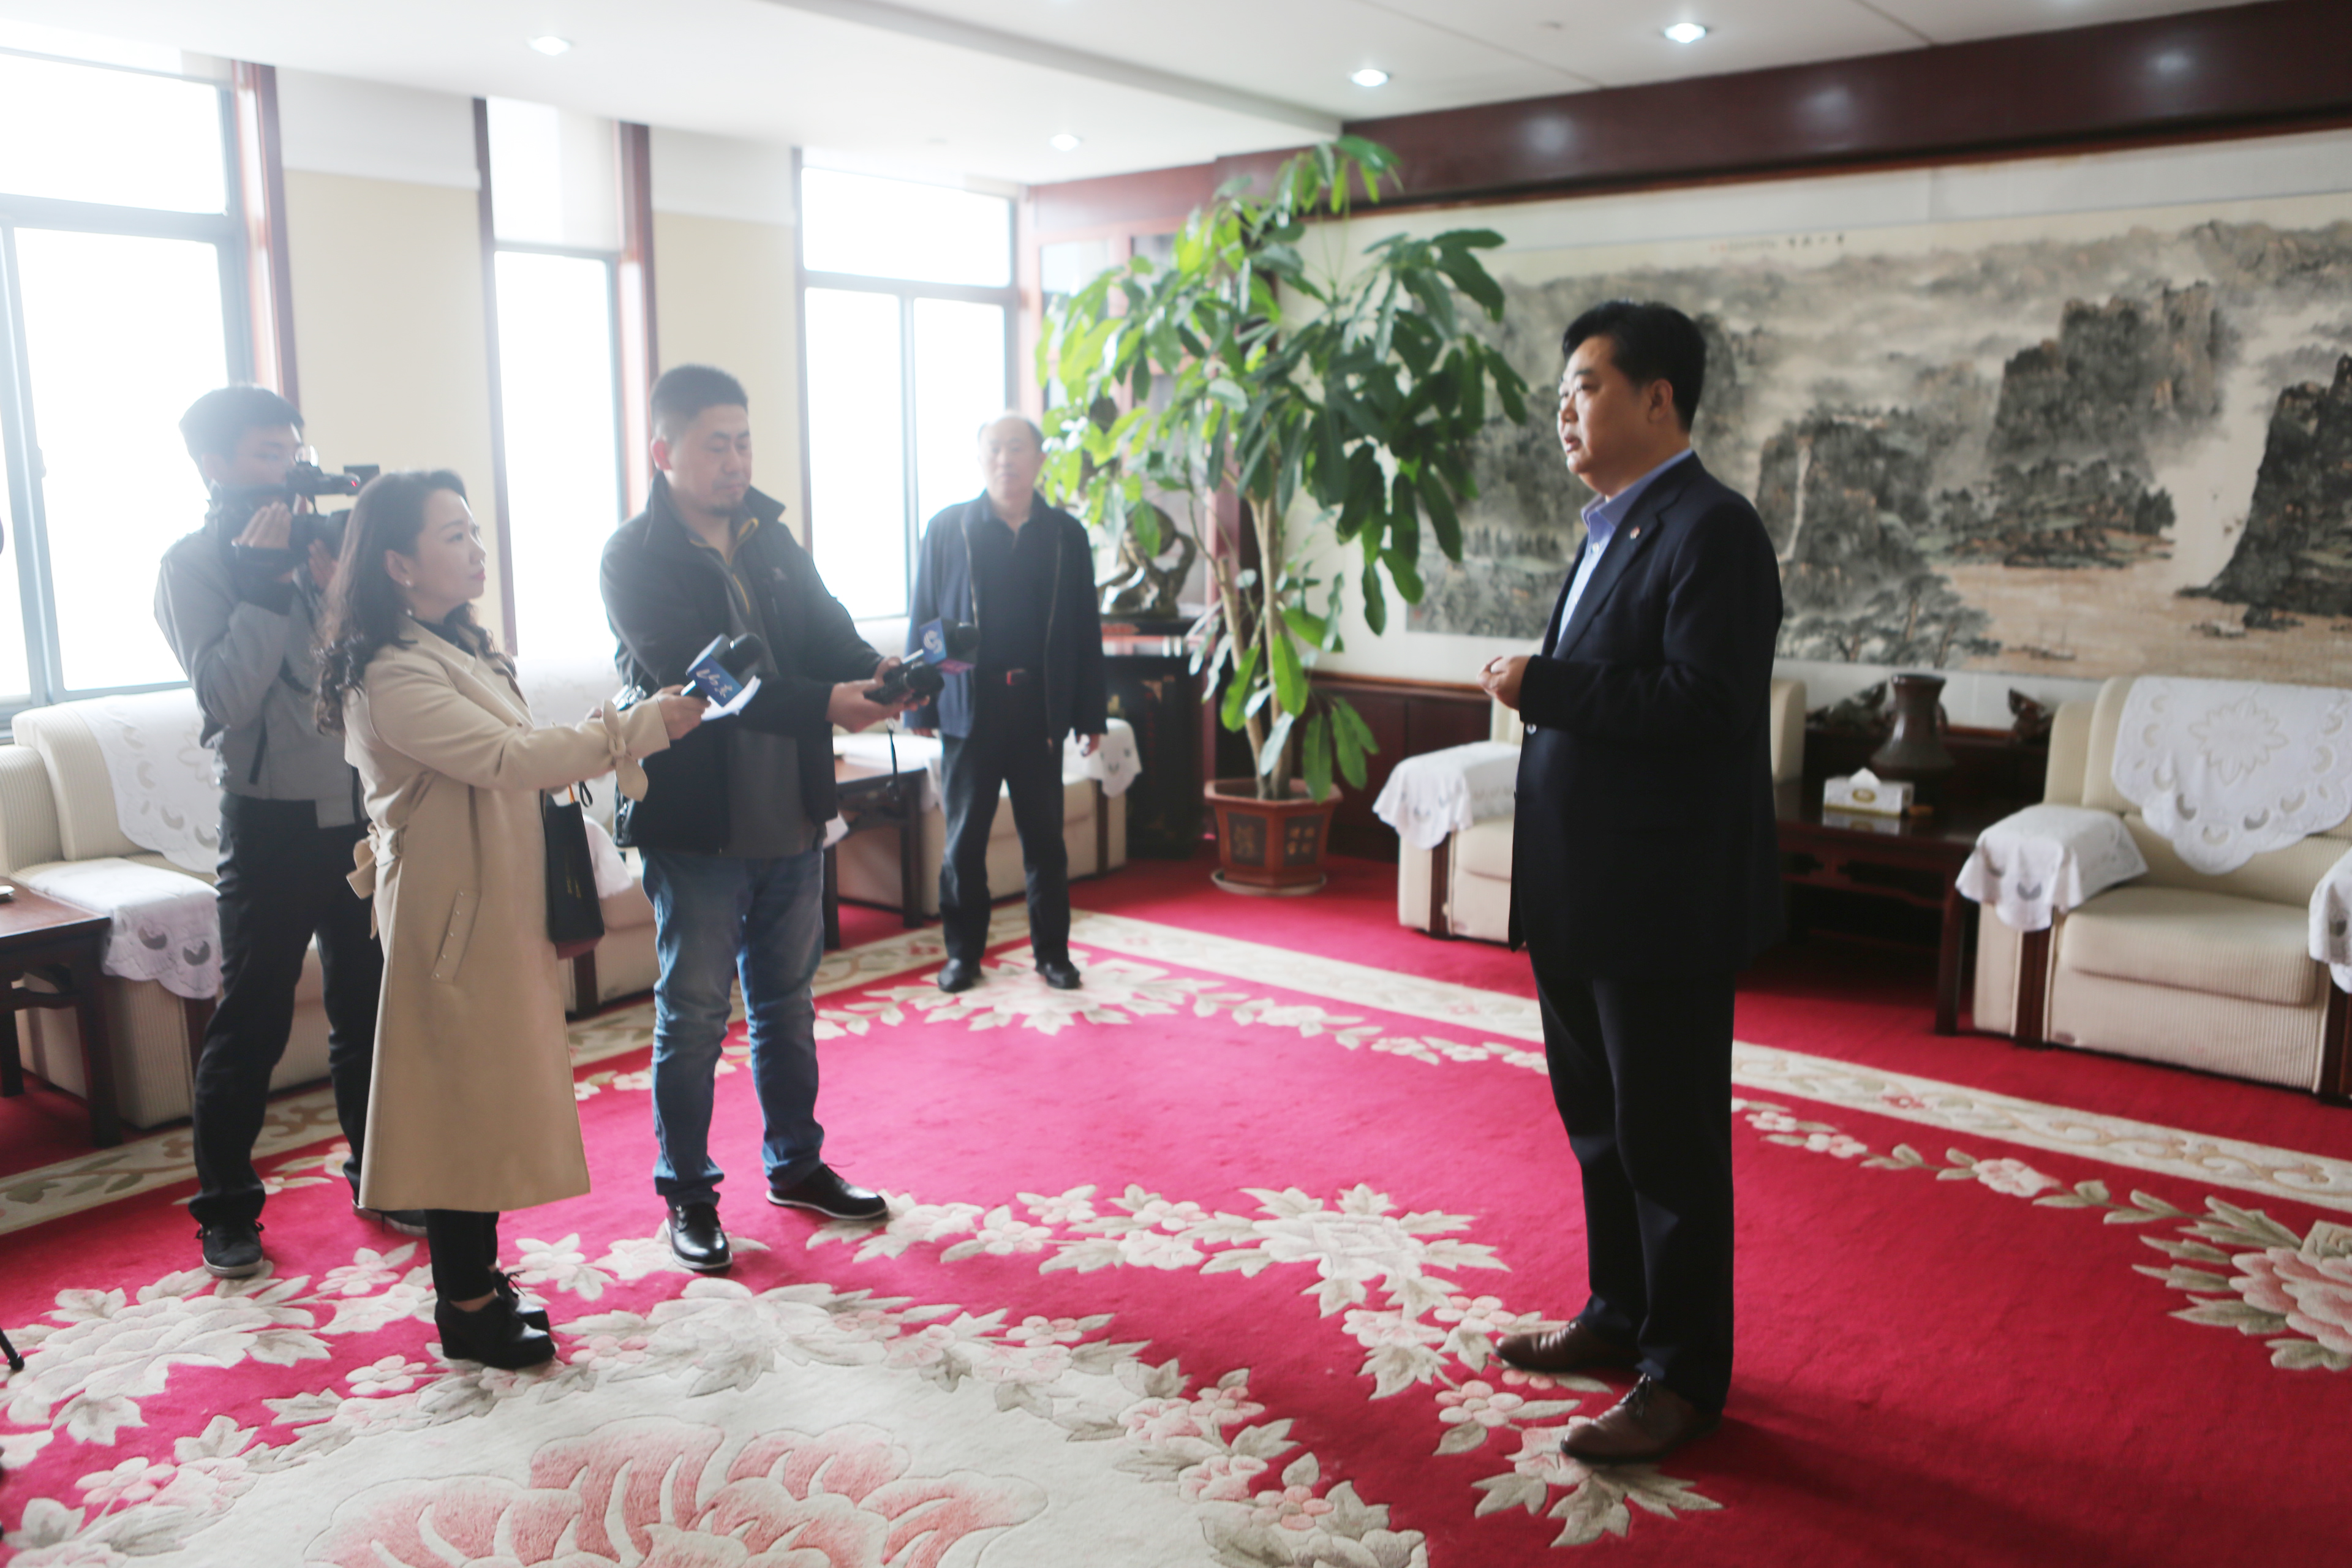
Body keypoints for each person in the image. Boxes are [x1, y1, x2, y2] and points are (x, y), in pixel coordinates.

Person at [1477, 301, 1784, 1464]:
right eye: (1562, 392)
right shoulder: (1614, 526)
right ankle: (1619, 1315)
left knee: (1669, 1147)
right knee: (1602, 1130)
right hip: (1583, 892)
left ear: (1660, 398)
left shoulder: (1715, 529)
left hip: (1661, 902)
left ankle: (1683, 1374)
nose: (1566, 410)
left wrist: (1544, 685)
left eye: (1588, 386)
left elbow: (1706, 703)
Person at [316, 470, 701, 1368]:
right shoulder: (389, 671)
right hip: (448, 916)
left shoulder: (458, 646)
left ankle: (480, 1281)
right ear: (399, 564)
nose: (476, 549)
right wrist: (634, 729)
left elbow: (515, 753)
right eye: (454, 536)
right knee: (458, 1105)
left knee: (487, 1098)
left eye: (475, 531)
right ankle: (465, 1307)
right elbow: (505, 757)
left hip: (493, 901)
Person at [601, 364, 911, 1276]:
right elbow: (705, 681)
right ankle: (689, 1195)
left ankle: (797, 1164)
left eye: (744, 442)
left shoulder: (770, 537)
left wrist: (879, 675)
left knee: (786, 1003)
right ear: (663, 452)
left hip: (792, 809)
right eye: (716, 445)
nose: (736, 461)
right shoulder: (632, 557)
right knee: (695, 1014)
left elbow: (827, 633)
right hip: (696, 822)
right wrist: (829, 703)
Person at [157, 385, 413, 1278]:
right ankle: (227, 1211)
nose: (290, 468)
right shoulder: (194, 565)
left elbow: (376, 669)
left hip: (360, 812)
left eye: (294, 451)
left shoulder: (325, 544)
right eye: (269, 453)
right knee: (253, 1021)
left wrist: (343, 585)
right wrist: (266, 588)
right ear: (215, 465)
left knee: (368, 1010)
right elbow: (227, 697)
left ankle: (382, 1173)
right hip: (269, 823)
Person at [906, 414, 1106, 994]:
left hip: (1040, 709)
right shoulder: (949, 528)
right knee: (964, 842)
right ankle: (962, 956)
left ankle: (1053, 955)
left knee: (1045, 841)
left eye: (1016, 448)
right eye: (994, 449)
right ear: (979, 458)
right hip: (970, 708)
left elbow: (1085, 629)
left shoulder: (1066, 534)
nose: (1005, 460)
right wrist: (920, 704)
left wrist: (1089, 714)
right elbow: (926, 619)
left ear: (1039, 459)